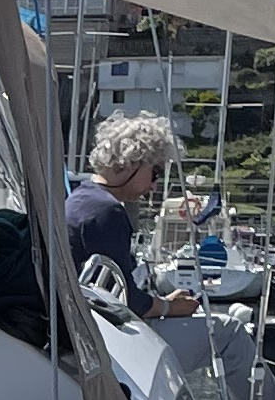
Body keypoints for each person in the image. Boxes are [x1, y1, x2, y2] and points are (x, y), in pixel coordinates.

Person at [64, 111, 198, 320]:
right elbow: (126, 300)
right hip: (98, 324)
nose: (154, 186)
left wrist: (164, 303)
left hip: (79, 316)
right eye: (155, 173)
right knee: (229, 328)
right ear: (133, 163)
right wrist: (169, 307)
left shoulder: (81, 198)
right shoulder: (107, 212)